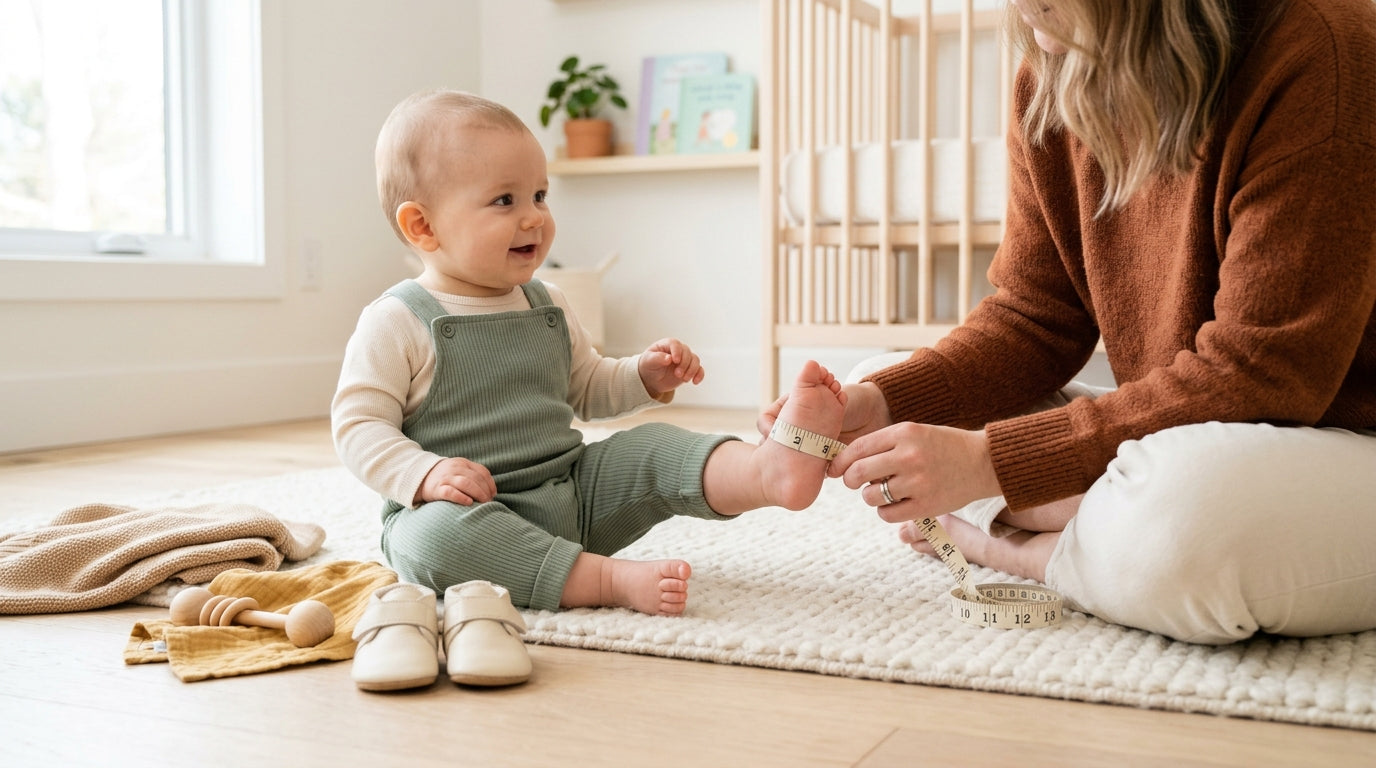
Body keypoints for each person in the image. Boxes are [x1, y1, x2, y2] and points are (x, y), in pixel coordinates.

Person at [765, 0, 1376, 644]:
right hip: (1198, 432)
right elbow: (1034, 317)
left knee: (1184, 516)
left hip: (1339, 435)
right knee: (888, 384)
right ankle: (1098, 521)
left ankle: (1022, 548)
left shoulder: (1324, 50)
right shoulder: (1052, 72)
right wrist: (880, 400)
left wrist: (990, 464)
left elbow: (1264, 374)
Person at [333, 88, 846, 617]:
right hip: (466, 513)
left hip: (573, 493)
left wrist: (643, 377)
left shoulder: (547, 303)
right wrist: (423, 475)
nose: (534, 217)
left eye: (540, 195)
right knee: (428, 541)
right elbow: (358, 426)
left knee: (652, 447)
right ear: (423, 226)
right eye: (505, 200)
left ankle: (767, 470)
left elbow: (588, 386)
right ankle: (602, 579)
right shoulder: (398, 320)